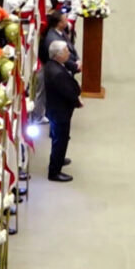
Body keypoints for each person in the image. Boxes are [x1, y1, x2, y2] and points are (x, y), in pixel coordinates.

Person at [45, 40, 81, 182]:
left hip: (55, 110)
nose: (69, 53)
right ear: (58, 55)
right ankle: (54, 171)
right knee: (61, 140)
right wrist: (77, 101)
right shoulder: (58, 73)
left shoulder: (53, 65)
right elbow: (69, 92)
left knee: (58, 139)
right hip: (60, 112)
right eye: (66, 51)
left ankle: (58, 159)